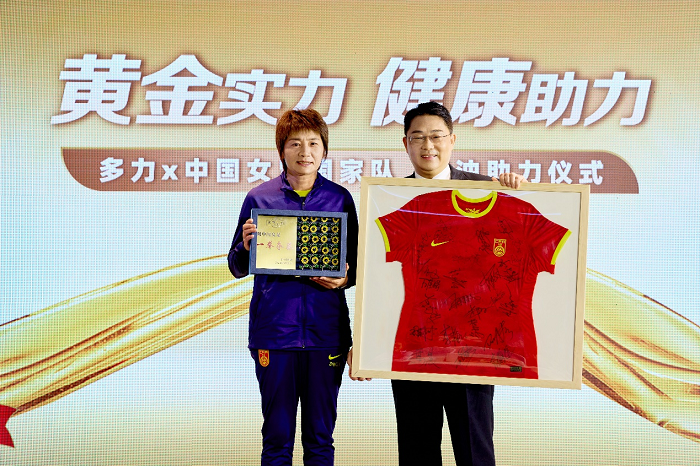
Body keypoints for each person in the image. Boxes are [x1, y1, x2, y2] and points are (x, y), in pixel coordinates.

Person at [390, 101, 525, 466]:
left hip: (472, 348)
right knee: (417, 454)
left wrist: (520, 193)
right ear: (405, 143)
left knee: (475, 451)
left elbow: (514, 256)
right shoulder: (388, 197)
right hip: (414, 348)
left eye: (436, 136)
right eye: (418, 137)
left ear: (452, 140)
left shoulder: (486, 190)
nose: (427, 146)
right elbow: (378, 279)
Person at [228, 108, 362, 466]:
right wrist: (245, 246)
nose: (305, 152)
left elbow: (357, 268)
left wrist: (344, 278)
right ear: (281, 150)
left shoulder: (340, 199)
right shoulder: (259, 199)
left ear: (325, 150)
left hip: (326, 335)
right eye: (295, 143)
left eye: (314, 143)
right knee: (277, 439)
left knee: (320, 440)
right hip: (274, 335)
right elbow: (236, 267)